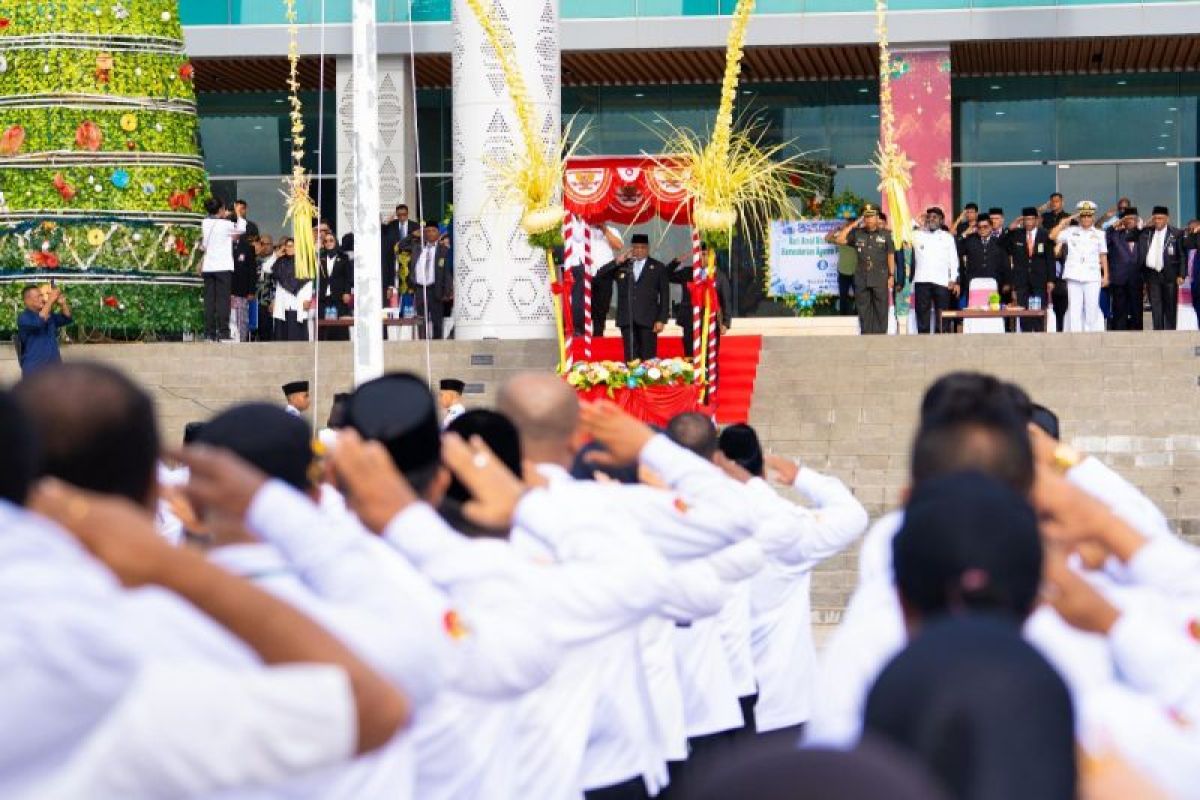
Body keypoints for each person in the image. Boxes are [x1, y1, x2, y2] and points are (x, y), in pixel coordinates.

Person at [595, 233, 671, 361]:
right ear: (631, 248)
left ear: (648, 249)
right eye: (636, 247)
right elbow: (600, 276)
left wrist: (661, 319)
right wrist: (617, 261)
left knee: (648, 359)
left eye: (642, 247)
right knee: (630, 359)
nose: (639, 250)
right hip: (627, 319)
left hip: (648, 320)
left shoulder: (658, 267)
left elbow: (665, 295)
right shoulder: (623, 266)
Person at [832, 204, 895, 335]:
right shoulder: (857, 233)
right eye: (866, 217)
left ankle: (880, 336)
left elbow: (890, 255)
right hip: (861, 278)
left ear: (877, 218)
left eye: (871, 216)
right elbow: (839, 239)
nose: (869, 219)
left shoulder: (886, 234)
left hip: (880, 277)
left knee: (881, 309)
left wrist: (891, 275)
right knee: (863, 308)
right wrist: (854, 224)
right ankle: (866, 336)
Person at [1051, 201, 1109, 333]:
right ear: (1079, 218)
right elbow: (1052, 236)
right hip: (1074, 275)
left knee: (1092, 307)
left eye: (1089, 216)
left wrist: (1106, 275)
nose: (1086, 219)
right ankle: (1075, 336)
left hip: (1092, 275)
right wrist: (1063, 223)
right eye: (1083, 216)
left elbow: (1103, 255)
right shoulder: (1070, 231)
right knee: (1074, 308)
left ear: (1093, 217)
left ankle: (1091, 335)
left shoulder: (1100, 234)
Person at [668, 243, 732, 357]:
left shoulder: (719, 276)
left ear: (712, 257)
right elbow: (666, 275)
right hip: (689, 321)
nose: (701, 258)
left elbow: (726, 300)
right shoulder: (688, 272)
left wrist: (725, 323)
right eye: (699, 255)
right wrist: (677, 261)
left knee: (709, 357)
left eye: (704, 254)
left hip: (711, 322)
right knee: (690, 357)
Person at [199, 196, 247, 342]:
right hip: (223, 267)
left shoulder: (205, 223)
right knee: (223, 301)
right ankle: (223, 332)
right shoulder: (225, 225)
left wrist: (223, 215)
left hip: (209, 267)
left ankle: (209, 333)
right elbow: (241, 229)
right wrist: (237, 214)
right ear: (220, 209)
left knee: (209, 300)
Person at [568, 220, 624, 339]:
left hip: (605, 272)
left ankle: (598, 337)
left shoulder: (612, 230)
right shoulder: (581, 230)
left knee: (602, 308)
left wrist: (604, 229)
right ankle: (582, 334)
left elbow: (618, 246)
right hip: (585, 272)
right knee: (582, 305)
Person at [910, 207, 960, 334]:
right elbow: (904, 232)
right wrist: (916, 221)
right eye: (929, 217)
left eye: (935, 217)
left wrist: (953, 279)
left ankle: (941, 340)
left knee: (942, 315)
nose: (931, 219)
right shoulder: (917, 235)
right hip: (922, 280)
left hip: (942, 281)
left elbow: (953, 260)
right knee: (922, 314)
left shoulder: (947, 237)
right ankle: (923, 340)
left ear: (941, 220)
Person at [1007, 207, 1054, 332]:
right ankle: (1026, 336)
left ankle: (1039, 335)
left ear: (1036, 220)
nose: (1028, 222)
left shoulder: (1044, 234)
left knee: (1039, 312)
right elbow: (1002, 245)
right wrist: (1010, 229)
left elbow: (1050, 258)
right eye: (1026, 219)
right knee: (1024, 313)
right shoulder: (1017, 234)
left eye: (1031, 219)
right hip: (1021, 281)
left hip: (1039, 280)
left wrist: (1051, 280)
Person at [1137, 206, 1184, 331]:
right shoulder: (1146, 232)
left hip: (1170, 274)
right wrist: (1145, 225)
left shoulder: (1176, 233)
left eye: (1161, 218)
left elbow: (1182, 255)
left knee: (1170, 306)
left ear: (1167, 219)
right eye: (1156, 218)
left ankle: (1170, 333)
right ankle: (1158, 332)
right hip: (1151, 274)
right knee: (1156, 306)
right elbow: (1131, 235)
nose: (1158, 221)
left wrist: (1181, 274)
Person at [17, 283, 72, 376]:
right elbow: (39, 322)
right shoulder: (23, 317)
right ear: (27, 300)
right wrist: (50, 300)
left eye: (41, 296)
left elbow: (67, 319)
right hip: (34, 369)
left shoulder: (49, 315)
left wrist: (63, 304)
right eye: (38, 297)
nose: (42, 299)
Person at [411, 220, 451, 340]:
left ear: (438, 233)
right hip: (420, 289)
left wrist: (447, 291)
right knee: (421, 321)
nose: (430, 233)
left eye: (433, 231)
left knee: (437, 321)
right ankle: (423, 344)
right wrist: (413, 234)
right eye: (427, 231)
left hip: (435, 289)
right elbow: (401, 246)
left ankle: (437, 345)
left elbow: (447, 272)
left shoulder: (443, 250)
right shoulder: (417, 248)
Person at [1105, 207, 1144, 331]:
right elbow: (1105, 238)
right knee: (1119, 310)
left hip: (1136, 279)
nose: (1130, 221)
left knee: (1136, 310)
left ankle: (1137, 334)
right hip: (1119, 279)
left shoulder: (1142, 235)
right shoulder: (1115, 234)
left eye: (1133, 218)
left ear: (1137, 220)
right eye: (1128, 218)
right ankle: (1118, 334)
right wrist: (1115, 225)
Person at [957, 216, 1010, 302]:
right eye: (979, 227)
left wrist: (1007, 282)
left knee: (993, 308)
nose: (982, 229)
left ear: (991, 227)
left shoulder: (999, 242)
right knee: (974, 309)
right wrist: (964, 234)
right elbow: (956, 249)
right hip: (974, 284)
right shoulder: (970, 241)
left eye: (985, 226)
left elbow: (1005, 264)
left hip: (994, 283)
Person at [270, 238, 313, 341]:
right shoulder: (279, 261)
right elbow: (266, 268)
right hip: (282, 304)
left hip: (297, 303)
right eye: (287, 246)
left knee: (297, 337)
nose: (289, 248)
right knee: (282, 337)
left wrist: (307, 299)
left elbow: (308, 281)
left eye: (292, 246)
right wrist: (276, 255)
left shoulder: (303, 262)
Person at [317, 231, 353, 341]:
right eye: (326, 241)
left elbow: (348, 277)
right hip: (324, 297)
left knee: (340, 328)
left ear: (336, 242)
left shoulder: (343, 257)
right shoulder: (320, 258)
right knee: (324, 327)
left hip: (339, 296)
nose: (328, 243)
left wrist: (347, 292)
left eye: (331, 240)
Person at [824, 222, 859, 316]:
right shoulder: (840, 239)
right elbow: (827, 238)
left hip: (856, 272)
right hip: (843, 272)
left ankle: (858, 316)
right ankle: (843, 316)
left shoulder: (858, 238)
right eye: (847, 226)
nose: (848, 228)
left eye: (850, 226)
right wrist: (837, 228)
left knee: (859, 297)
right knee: (843, 296)